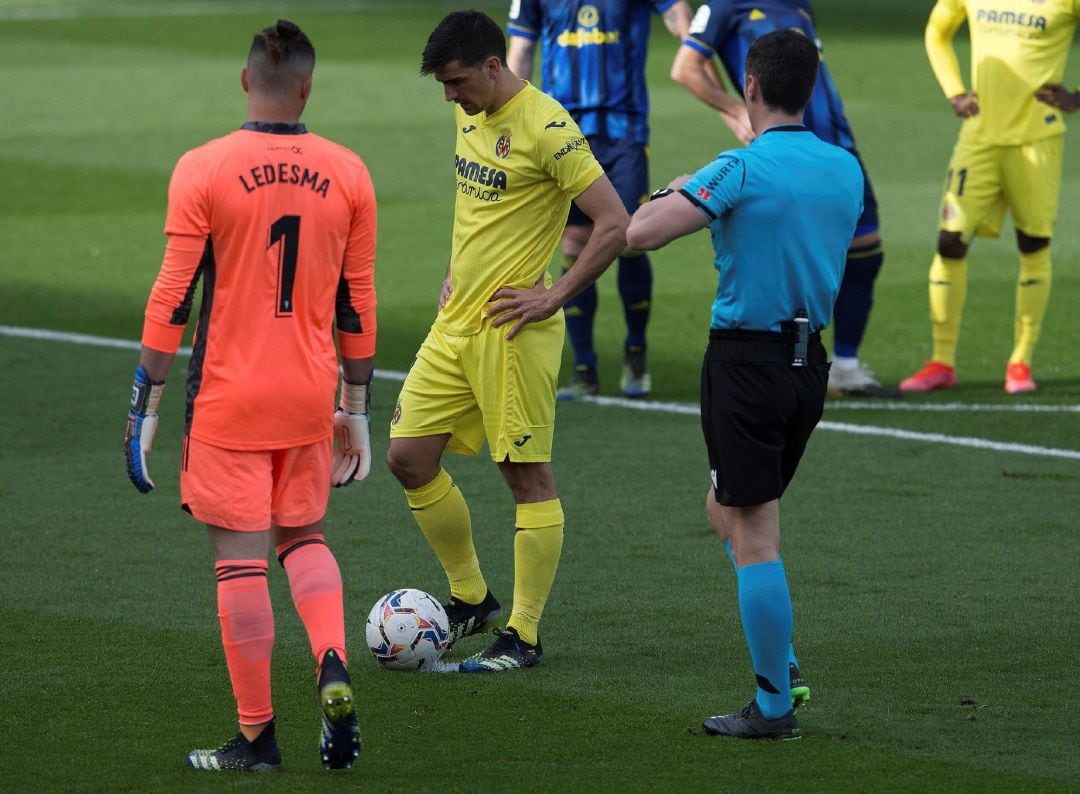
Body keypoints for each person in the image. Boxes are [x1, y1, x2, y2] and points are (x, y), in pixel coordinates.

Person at [123, 20, 376, 771]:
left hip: (228, 402)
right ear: (307, 87)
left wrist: (147, 398)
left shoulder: (204, 167)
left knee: (240, 564)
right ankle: (332, 663)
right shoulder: (349, 171)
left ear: (244, 82)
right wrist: (356, 407)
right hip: (308, 397)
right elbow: (356, 302)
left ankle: (259, 737)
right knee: (303, 539)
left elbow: (173, 297)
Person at [627, 29, 863, 739]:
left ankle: (772, 705)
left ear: (751, 88)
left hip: (746, 364)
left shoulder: (739, 169)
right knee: (723, 506)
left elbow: (641, 231)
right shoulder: (846, 169)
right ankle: (781, 659)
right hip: (806, 370)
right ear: (813, 88)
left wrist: (680, 185)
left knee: (755, 530)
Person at [385, 10, 628, 673]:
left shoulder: (548, 127)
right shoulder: (470, 111)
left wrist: (553, 295)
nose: (450, 96)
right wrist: (452, 270)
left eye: (457, 81)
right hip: (455, 321)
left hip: (511, 331)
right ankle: (472, 599)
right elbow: (477, 206)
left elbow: (614, 223)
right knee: (407, 457)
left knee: (524, 475)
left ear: (494, 67)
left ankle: (523, 634)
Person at [671, 0, 899, 398]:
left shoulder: (800, 5)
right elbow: (685, 68)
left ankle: (844, 366)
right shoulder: (725, 5)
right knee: (787, 255)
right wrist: (734, 112)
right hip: (785, 150)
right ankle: (785, 360)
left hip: (836, 143)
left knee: (866, 248)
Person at [506, 0, 694, 400]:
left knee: (628, 238)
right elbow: (520, 49)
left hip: (623, 130)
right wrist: (510, 116)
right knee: (574, 240)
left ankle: (636, 352)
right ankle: (585, 367)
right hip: (560, 129)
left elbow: (676, 12)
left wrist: (696, 41)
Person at [900, 1, 1080, 394]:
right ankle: (941, 361)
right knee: (949, 241)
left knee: (1034, 244)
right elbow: (937, 32)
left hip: (1037, 141)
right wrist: (954, 92)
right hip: (978, 138)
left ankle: (1020, 362)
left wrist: (1078, 97)